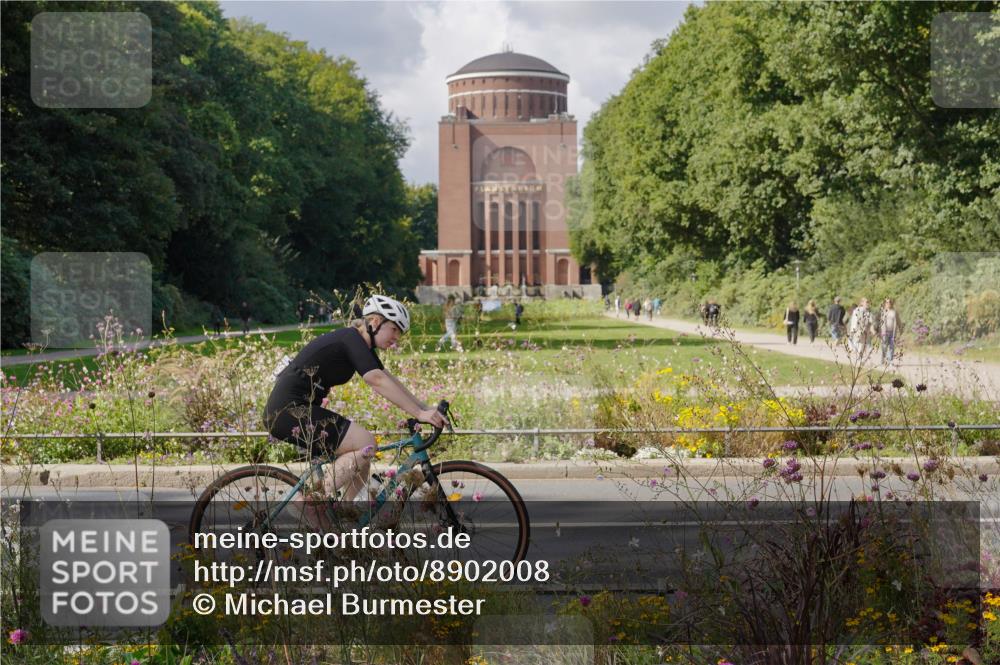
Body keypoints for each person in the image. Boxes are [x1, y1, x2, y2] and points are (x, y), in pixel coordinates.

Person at [264, 295, 446, 503]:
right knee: (366, 443)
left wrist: (424, 408)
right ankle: (310, 502)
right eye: (394, 329)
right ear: (375, 322)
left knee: (363, 458)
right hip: (287, 410)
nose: (397, 337)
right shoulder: (350, 339)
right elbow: (376, 380)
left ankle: (345, 517)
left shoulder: (359, 344)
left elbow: (388, 379)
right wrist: (420, 413)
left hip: (297, 409)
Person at [879, 298, 903, 364]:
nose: (888, 303)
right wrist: (879, 332)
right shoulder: (883, 312)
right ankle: (883, 358)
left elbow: (898, 321)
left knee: (892, 346)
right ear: (884, 304)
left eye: (889, 302)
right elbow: (880, 323)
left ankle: (890, 360)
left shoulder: (894, 312)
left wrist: (901, 329)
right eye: (886, 302)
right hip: (884, 332)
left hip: (892, 332)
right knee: (884, 346)